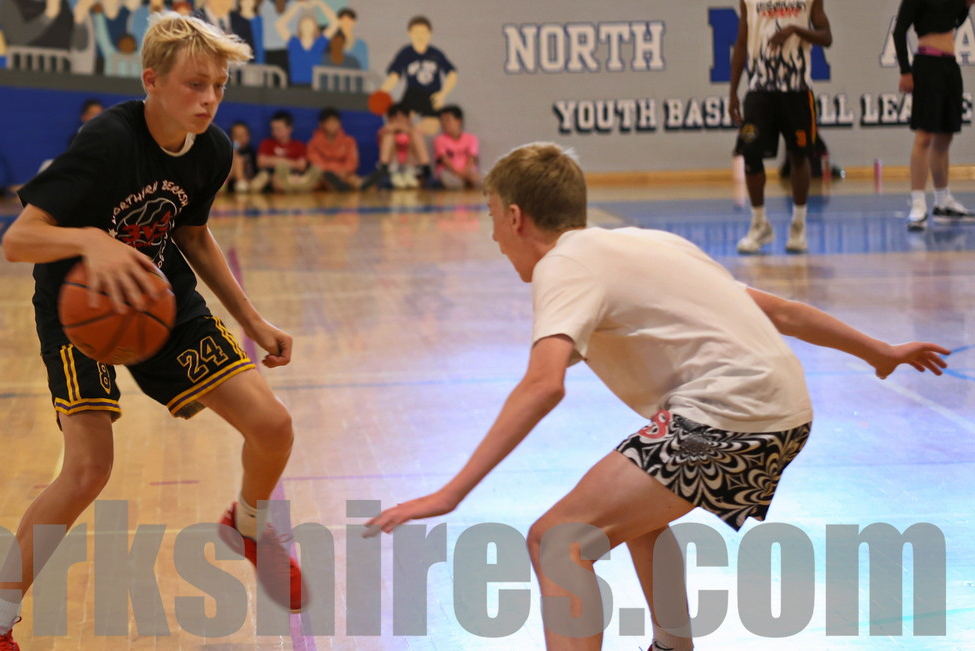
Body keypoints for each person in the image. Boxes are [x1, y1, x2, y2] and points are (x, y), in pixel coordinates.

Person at [366, 143, 951, 651]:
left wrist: (450, 493)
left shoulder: (561, 267)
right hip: (783, 412)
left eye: (492, 218)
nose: (494, 236)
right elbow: (780, 311)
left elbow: (543, 385)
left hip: (729, 418)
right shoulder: (647, 244)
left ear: (515, 217)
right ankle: (672, 643)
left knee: (557, 540)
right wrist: (879, 351)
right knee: (636, 507)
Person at [0, 13, 304, 651]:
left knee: (273, 426)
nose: (209, 99)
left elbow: (193, 234)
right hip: (78, 309)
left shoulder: (213, 150)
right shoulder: (108, 140)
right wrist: (91, 241)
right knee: (88, 470)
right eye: (195, 84)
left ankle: (249, 525)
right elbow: (18, 240)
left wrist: (251, 319)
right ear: (152, 81)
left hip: (160, 298)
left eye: (219, 86)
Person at [728, 0, 832, 254]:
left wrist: (795, 29)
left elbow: (826, 37)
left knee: (799, 155)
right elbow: (741, 43)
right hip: (759, 91)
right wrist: (733, 92)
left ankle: (798, 225)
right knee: (750, 153)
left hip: (797, 91)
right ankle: (759, 224)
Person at [893, 0, 975, 230]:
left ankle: (943, 200)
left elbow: (952, 21)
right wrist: (906, 71)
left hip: (949, 65)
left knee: (945, 136)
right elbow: (899, 31)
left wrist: (966, 4)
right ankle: (918, 203)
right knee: (925, 136)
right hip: (927, 64)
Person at [378, 15, 457, 135]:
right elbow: (394, 76)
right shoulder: (405, 53)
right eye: (416, 33)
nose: (420, 36)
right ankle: (407, 131)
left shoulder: (436, 54)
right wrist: (382, 92)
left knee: (432, 127)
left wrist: (443, 93)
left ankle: (412, 132)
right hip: (412, 94)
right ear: (409, 33)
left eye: (423, 32)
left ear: (430, 33)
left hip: (432, 96)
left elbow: (452, 74)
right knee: (399, 123)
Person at [364, 102, 429, 190]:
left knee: (415, 135)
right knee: (389, 136)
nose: (399, 120)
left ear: (408, 118)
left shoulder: (414, 132)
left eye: (403, 117)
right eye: (396, 117)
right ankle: (384, 168)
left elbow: (417, 134)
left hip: (410, 166)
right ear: (390, 119)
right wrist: (396, 127)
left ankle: (425, 168)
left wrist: (406, 129)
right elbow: (384, 131)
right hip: (392, 167)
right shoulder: (385, 132)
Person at [255, 110, 320, 192]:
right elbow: (261, 162)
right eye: (273, 128)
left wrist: (274, 160)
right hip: (275, 177)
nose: (274, 132)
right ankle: (295, 186)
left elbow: (302, 166)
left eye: (278, 129)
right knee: (274, 178)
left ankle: (297, 184)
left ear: (289, 129)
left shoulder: (299, 145)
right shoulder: (266, 143)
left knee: (309, 177)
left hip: (294, 175)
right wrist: (290, 163)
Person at [306, 107, 360, 190]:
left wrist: (343, 172)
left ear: (340, 123)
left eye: (335, 122)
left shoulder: (349, 141)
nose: (332, 125)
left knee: (354, 180)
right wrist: (331, 173)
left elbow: (352, 162)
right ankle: (338, 186)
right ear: (321, 124)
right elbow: (317, 163)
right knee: (317, 181)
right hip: (323, 176)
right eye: (329, 122)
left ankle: (360, 185)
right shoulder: (313, 143)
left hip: (344, 174)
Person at [433, 104, 481, 190]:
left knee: (483, 181)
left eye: (447, 120)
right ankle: (466, 183)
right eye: (442, 120)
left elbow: (472, 158)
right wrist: (458, 173)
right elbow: (444, 160)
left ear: (458, 121)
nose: (444, 123)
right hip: (449, 171)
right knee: (454, 183)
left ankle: (468, 182)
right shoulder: (440, 140)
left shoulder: (471, 138)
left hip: (468, 170)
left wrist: (465, 171)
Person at [228, 119, 259, 191]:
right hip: (235, 182)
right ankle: (241, 182)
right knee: (237, 159)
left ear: (248, 136)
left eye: (242, 135)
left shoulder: (251, 151)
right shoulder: (230, 150)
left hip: (251, 180)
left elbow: (255, 168)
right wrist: (235, 149)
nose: (239, 138)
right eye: (236, 135)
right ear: (231, 136)